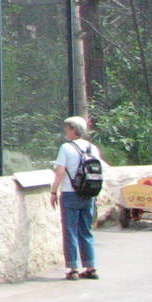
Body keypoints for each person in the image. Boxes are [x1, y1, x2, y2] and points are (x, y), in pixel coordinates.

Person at [50, 115, 102, 281]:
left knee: (70, 231)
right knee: (85, 230)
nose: (65, 130)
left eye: (67, 128)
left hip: (70, 193)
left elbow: (59, 172)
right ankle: (90, 267)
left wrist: (53, 192)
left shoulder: (66, 148)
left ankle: (72, 268)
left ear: (73, 130)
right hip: (88, 194)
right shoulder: (92, 148)